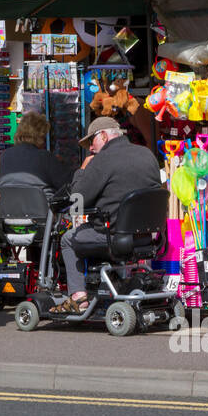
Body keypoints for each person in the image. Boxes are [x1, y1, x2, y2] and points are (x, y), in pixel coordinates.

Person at [56, 116, 162, 314]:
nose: (90, 149)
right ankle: (117, 284)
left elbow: (78, 200)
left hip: (114, 235)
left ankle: (79, 298)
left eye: (91, 142)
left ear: (103, 136)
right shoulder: (147, 154)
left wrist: (82, 170)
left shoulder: (102, 159)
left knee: (68, 239)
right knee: (100, 228)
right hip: (146, 236)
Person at [0, 112, 73, 198]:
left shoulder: (4, 156)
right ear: (40, 136)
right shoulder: (45, 158)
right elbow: (68, 185)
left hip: (8, 209)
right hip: (42, 209)